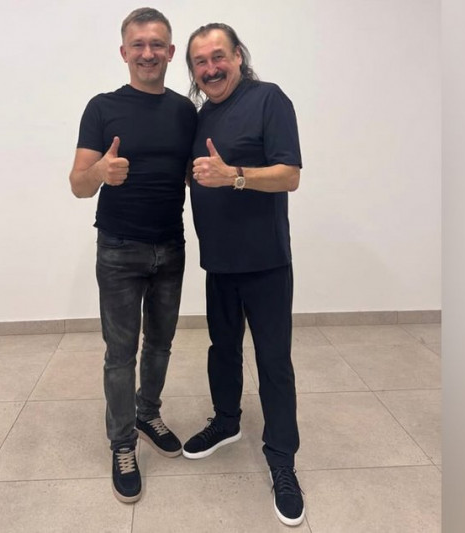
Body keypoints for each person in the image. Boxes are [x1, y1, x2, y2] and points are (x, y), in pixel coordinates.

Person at [68, 7, 197, 504]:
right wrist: (100, 172)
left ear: (170, 51)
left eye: (157, 44)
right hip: (120, 249)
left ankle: (147, 413)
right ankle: (122, 443)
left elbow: (193, 174)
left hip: (171, 247)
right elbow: (78, 185)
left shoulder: (185, 112)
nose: (148, 53)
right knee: (120, 355)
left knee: (160, 345)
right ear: (124, 52)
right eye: (138, 45)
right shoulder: (102, 108)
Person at [181, 23, 305, 526]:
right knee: (222, 349)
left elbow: (289, 175)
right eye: (200, 62)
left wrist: (234, 175)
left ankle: (282, 459)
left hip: (267, 262)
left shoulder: (268, 99)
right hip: (219, 262)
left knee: (273, 362)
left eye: (219, 56)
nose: (211, 68)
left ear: (238, 56)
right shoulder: (201, 116)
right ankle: (227, 421)